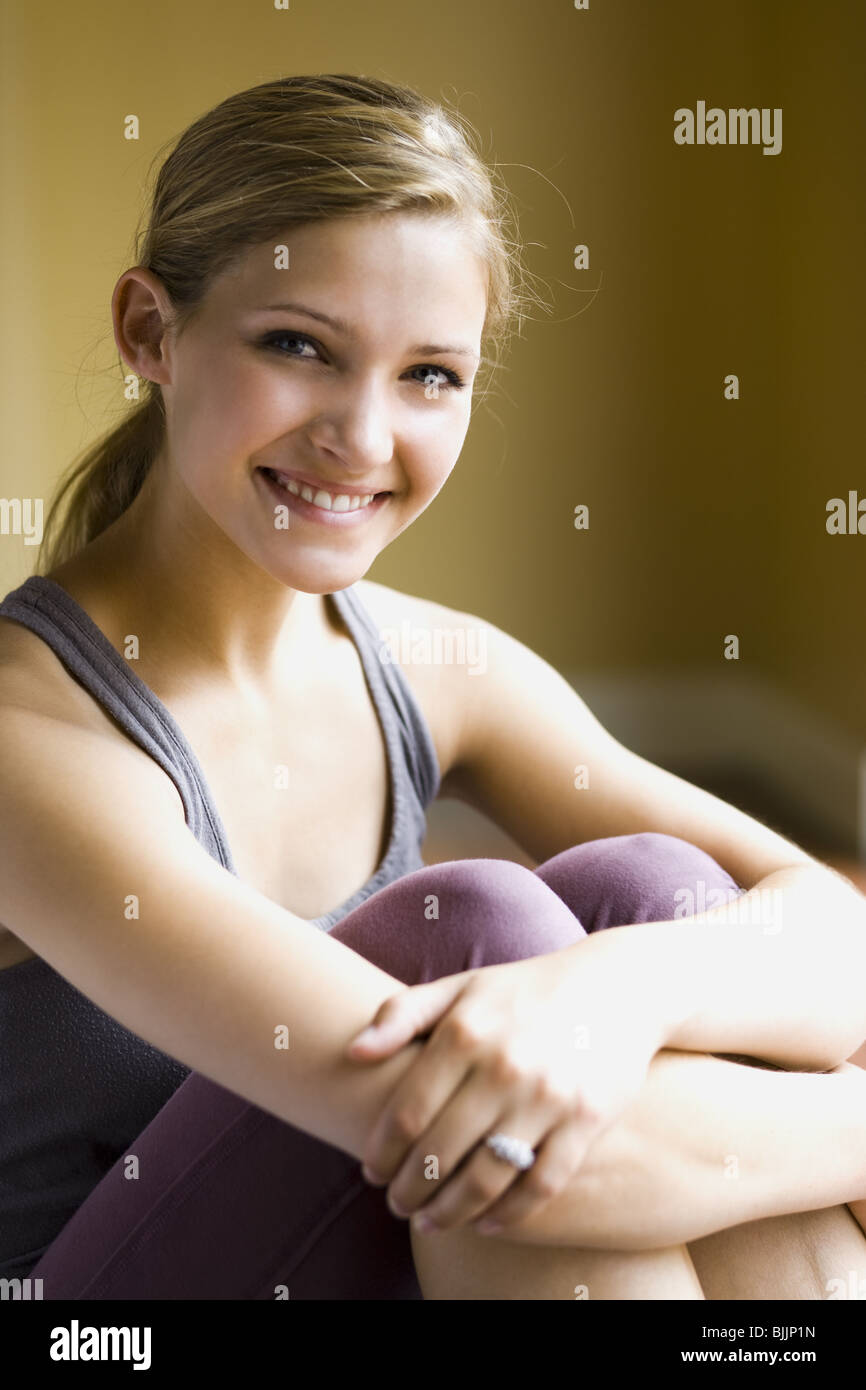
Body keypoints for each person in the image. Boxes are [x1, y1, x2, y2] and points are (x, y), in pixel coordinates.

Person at [1, 73, 865, 1301]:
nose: (361, 436)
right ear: (151, 332)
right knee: (471, 935)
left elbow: (834, 929)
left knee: (656, 892)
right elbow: (513, 1167)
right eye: (298, 347)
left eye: (428, 376)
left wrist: (613, 990)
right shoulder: (27, 735)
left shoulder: (429, 666)